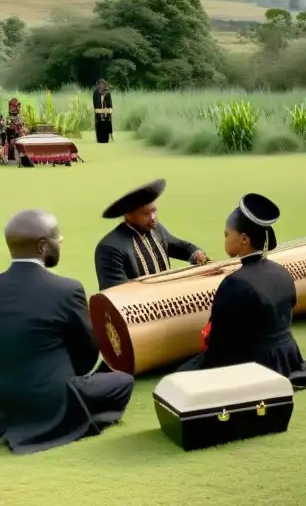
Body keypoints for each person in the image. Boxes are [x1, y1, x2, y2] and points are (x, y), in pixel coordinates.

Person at [0, 209, 134, 454]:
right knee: (122, 381)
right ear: (43, 246)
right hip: (50, 399)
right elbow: (87, 352)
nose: (60, 241)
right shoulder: (66, 289)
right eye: (56, 237)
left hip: (4, 400)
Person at [178, 195, 306, 388]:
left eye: (227, 235)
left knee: (181, 376)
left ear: (244, 239)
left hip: (255, 362)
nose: (225, 239)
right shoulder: (282, 271)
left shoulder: (235, 282)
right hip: (288, 356)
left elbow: (219, 340)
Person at [94, 179, 208, 290]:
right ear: (127, 215)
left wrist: (198, 256)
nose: (153, 218)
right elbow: (116, 291)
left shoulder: (156, 229)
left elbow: (180, 246)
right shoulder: (110, 247)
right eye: (146, 213)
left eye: (154, 211)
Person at [93, 79, 113, 144]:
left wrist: (109, 114)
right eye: (100, 84)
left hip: (106, 115)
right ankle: (99, 139)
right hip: (98, 115)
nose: (102, 86)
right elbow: (95, 104)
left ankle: (106, 138)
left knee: (105, 131)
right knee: (99, 129)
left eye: (103, 84)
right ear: (98, 85)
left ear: (105, 85)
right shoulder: (95, 93)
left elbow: (110, 104)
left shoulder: (108, 94)